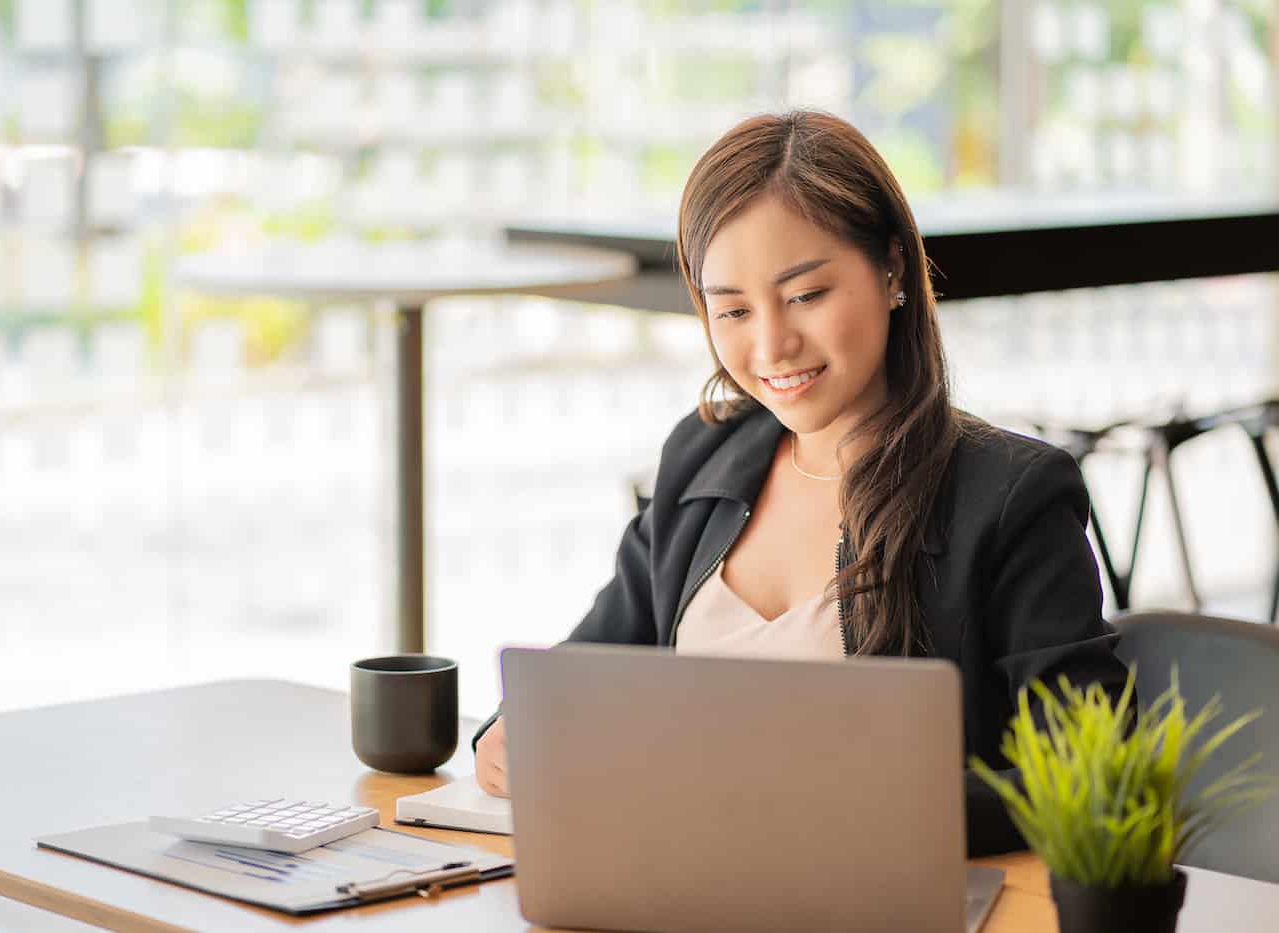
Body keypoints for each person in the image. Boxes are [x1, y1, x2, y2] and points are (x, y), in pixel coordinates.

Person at [472, 110, 1129, 855]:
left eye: (806, 295)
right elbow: (587, 664)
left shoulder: (1009, 494)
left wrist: (838, 807)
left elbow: (1085, 773)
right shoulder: (702, 455)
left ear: (891, 270)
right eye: (734, 310)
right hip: (683, 881)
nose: (771, 344)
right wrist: (515, 730)